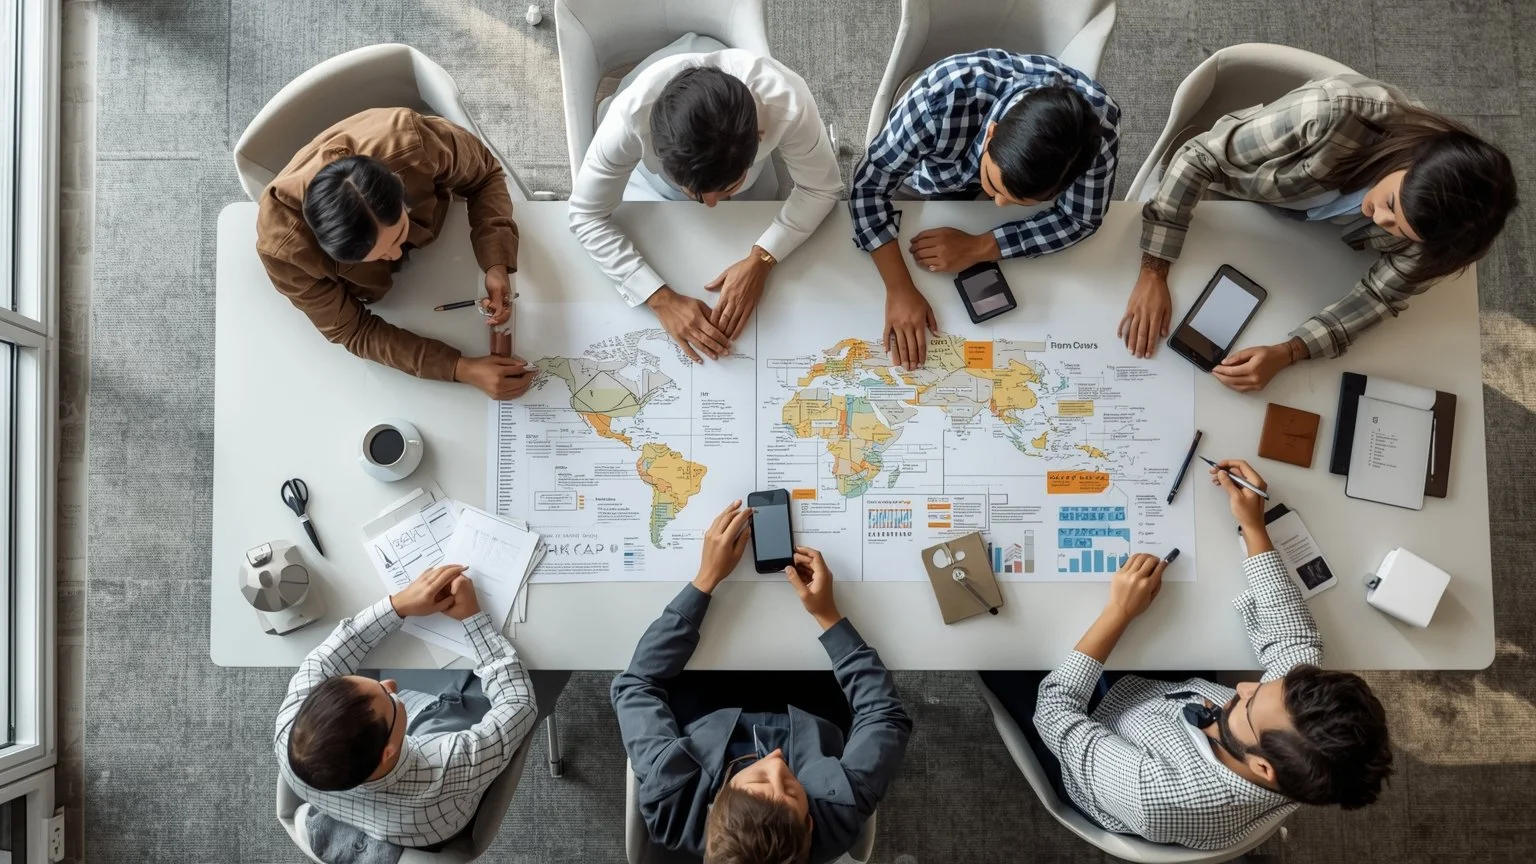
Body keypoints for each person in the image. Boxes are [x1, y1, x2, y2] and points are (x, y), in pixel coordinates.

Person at [981, 459, 1393, 850]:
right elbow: (1294, 642)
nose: (1245, 686)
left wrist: (1119, 612)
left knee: (992, 649)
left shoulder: (1151, 793)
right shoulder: (1295, 734)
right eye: (1267, 685)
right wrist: (1253, 526)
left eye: (1248, 704)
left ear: (1263, 767)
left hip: (1095, 754)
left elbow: (1054, 712)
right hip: (1156, 700)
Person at [1120, 75, 1517, 391]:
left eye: (1402, 231)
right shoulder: (1330, 116)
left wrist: (1290, 351)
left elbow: (1379, 296)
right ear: (1411, 159)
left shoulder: (1446, 235)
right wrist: (1154, 270)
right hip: (1231, 188)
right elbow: (1199, 158)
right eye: (1391, 203)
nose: (1381, 221)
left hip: (1298, 242)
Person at [611, 501, 912, 863]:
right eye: (793, 790)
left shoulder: (673, 796)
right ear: (809, 824)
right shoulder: (838, 812)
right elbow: (884, 716)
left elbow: (637, 684)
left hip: (707, 697)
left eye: (757, 780)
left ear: (715, 805)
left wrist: (705, 579)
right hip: (817, 697)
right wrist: (827, 615)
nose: (777, 760)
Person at [569, 38, 844, 363]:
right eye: (696, 193)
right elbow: (585, 215)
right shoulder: (627, 121)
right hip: (652, 188)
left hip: (752, 185)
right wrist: (659, 298)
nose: (712, 205)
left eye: (727, 188)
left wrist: (763, 257)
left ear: (758, 137)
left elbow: (822, 188)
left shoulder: (789, 100)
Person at [849, 50, 1120, 369]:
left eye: (1018, 201)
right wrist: (898, 288)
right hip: (922, 173)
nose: (999, 204)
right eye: (994, 184)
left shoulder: (1098, 130)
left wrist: (981, 246)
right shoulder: (937, 101)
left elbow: (1080, 218)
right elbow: (868, 187)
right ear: (991, 133)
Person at [274, 565, 562, 850]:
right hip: (437, 803)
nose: (390, 683)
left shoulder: (290, 731)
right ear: (388, 751)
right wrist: (473, 619)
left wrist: (398, 604)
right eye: (389, 698)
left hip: (375, 808)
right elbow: (519, 704)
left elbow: (321, 662)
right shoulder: (448, 766)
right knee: (549, 660)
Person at [257, 107, 532, 400]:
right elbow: (354, 331)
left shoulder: (416, 143)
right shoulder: (284, 253)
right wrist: (460, 368)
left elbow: (485, 174)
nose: (395, 253)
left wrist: (496, 264)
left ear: (400, 186)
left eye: (399, 233)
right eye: (374, 256)